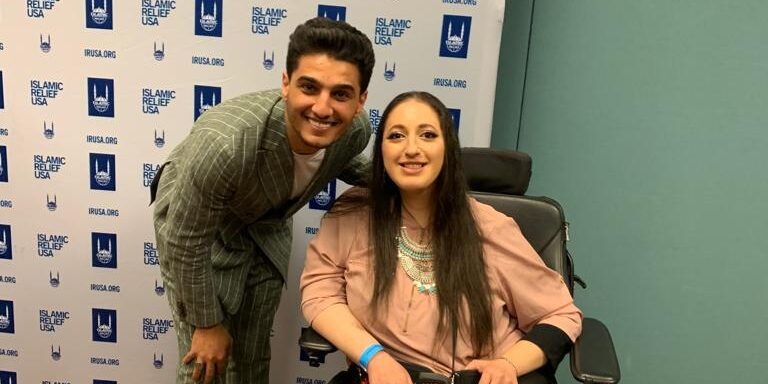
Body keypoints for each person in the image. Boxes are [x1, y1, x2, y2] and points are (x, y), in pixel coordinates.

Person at [300, 91, 582, 384]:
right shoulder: (353, 214)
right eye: (396, 136)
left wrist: (508, 365)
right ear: (381, 150)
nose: (411, 149)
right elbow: (320, 292)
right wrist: (373, 356)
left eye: (428, 135)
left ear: (447, 148)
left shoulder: (490, 228)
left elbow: (560, 315)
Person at [151, 17, 375, 384]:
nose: (322, 108)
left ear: (360, 100)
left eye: (340, 94)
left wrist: (411, 184)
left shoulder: (354, 132)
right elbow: (184, 241)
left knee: (253, 354)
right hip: (199, 229)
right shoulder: (226, 143)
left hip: (266, 222)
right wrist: (206, 323)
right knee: (206, 362)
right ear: (286, 84)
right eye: (309, 87)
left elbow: (343, 161)